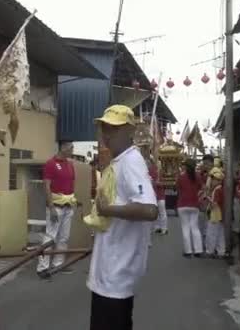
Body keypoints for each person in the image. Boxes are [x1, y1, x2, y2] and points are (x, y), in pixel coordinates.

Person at [89, 105, 158, 330]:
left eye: (113, 129)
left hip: (117, 272)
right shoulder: (119, 161)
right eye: (104, 128)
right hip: (109, 269)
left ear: (129, 131)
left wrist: (108, 210)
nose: (106, 134)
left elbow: (149, 209)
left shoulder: (130, 161)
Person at [37, 141, 77, 278]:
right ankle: (42, 267)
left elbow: (71, 184)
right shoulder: (51, 164)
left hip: (68, 207)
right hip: (56, 208)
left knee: (64, 238)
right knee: (50, 237)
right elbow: (46, 186)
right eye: (71, 147)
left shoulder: (70, 165)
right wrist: (51, 206)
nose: (73, 149)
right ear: (63, 147)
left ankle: (58, 264)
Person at [177, 159, 204, 258]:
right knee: (195, 228)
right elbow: (202, 189)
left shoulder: (181, 177)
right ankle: (198, 250)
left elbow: (178, 189)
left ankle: (188, 251)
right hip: (194, 204)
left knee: (185, 228)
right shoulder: (198, 177)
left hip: (183, 204)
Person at [205, 168, 226, 258]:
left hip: (215, 214)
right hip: (220, 214)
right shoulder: (220, 189)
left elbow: (214, 204)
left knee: (211, 233)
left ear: (219, 181)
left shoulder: (217, 190)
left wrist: (207, 198)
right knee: (220, 234)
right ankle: (221, 251)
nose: (212, 181)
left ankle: (210, 251)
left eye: (214, 179)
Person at [149, 157, 168, 235]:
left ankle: (164, 228)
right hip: (153, 195)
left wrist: (159, 183)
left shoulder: (161, 171)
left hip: (160, 195)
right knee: (155, 212)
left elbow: (165, 183)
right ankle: (157, 227)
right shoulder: (149, 171)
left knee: (162, 212)